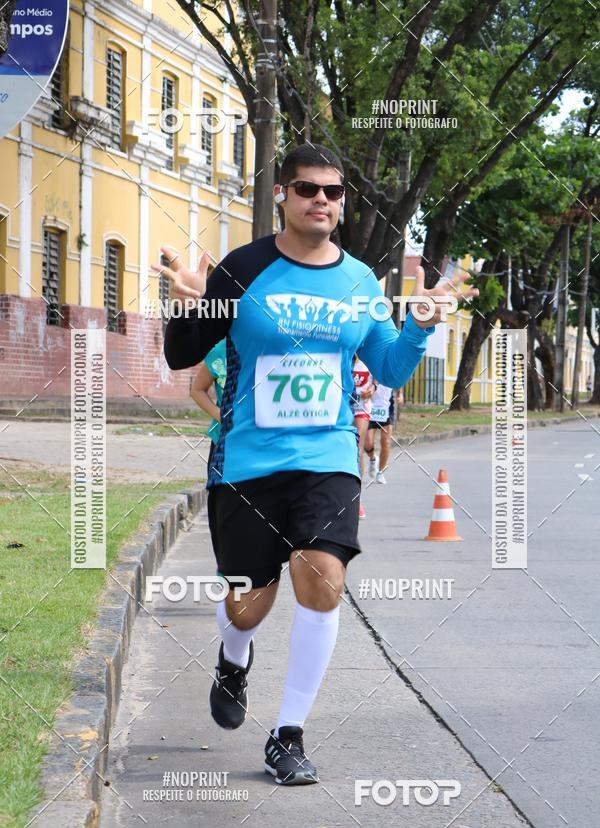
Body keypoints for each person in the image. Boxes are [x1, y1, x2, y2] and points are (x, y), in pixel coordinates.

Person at [154, 143, 478, 786]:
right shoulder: (243, 269)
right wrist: (190, 303)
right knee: (249, 604)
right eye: (307, 189)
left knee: (323, 579)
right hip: (246, 459)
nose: (321, 200)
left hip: (328, 455)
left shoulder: (360, 280)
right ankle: (233, 655)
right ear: (283, 194)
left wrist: (418, 325)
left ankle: (289, 733)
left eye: (332, 191)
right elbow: (181, 355)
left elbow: (386, 369)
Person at [190, 338, 227, 477]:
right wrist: (219, 415)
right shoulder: (219, 353)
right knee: (222, 496)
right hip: (223, 443)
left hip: (258, 443)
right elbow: (197, 390)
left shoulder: (266, 349)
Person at [351, 356, 374, 518]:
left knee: (357, 450)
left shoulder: (369, 356)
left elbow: (379, 375)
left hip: (361, 408)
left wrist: (373, 387)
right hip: (343, 406)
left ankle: (357, 499)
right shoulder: (344, 355)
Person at [365, 382, 394, 484]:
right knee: (368, 444)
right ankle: (373, 459)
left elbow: (399, 378)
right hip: (370, 407)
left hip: (386, 407)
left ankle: (380, 472)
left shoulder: (390, 367)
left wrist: (400, 395)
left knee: (386, 441)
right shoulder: (369, 366)